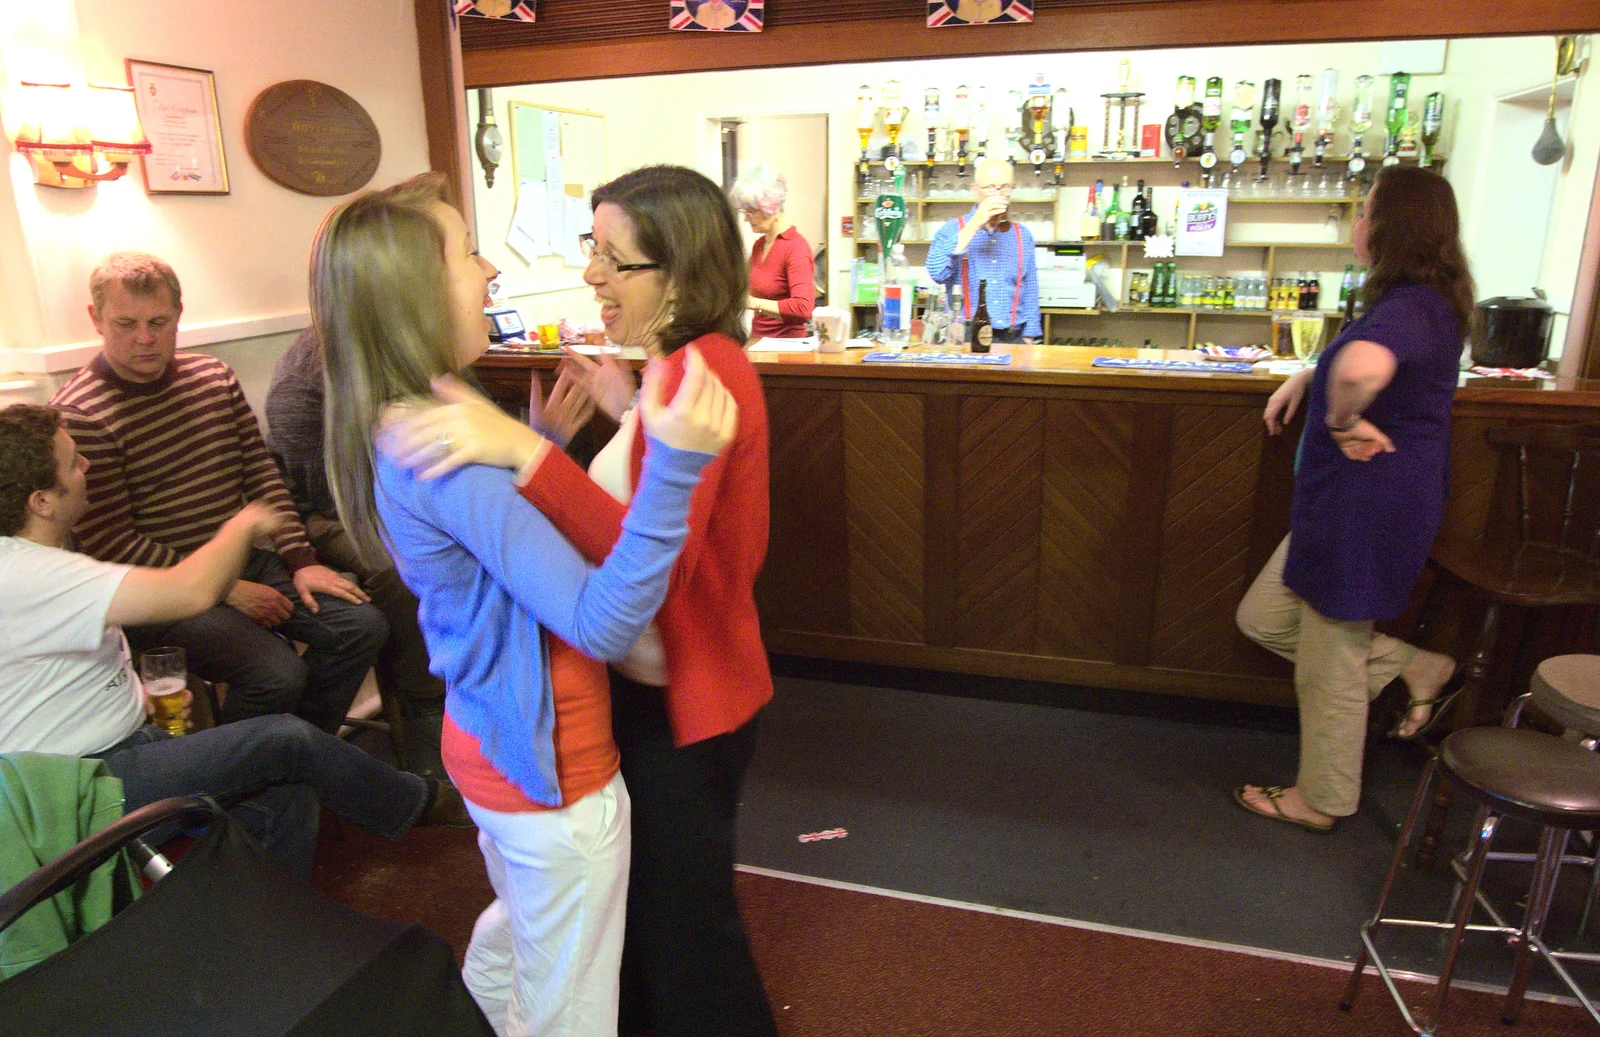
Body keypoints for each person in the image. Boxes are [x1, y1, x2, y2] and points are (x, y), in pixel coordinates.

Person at [312, 171, 737, 1037]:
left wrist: (539, 447)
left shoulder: (420, 409)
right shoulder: (446, 447)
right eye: (468, 253)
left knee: (520, 932)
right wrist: (676, 471)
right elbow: (601, 620)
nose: (489, 271)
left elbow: (484, 556)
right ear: (414, 293)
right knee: (570, 1006)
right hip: (552, 773)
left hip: (490, 744)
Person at [0, 404, 469, 878]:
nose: (86, 468)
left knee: (288, 791)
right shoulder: (29, 573)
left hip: (117, 753)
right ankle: (422, 804)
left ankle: (262, 915)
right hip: (76, 791)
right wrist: (243, 524)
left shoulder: (35, 560)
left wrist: (129, 696)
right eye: (75, 462)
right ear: (41, 501)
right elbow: (192, 590)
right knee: (285, 740)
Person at [50, 252, 387, 735]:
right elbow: (110, 541)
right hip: (158, 589)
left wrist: (301, 559)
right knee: (277, 674)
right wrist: (221, 588)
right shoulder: (81, 413)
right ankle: (244, 780)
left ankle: (300, 751)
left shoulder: (213, 376)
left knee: (361, 627)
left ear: (178, 316)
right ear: (96, 319)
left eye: (158, 322)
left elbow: (261, 474)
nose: (144, 338)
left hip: (244, 562)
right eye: (125, 323)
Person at [1233, 166, 1473, 832]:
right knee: (1263, 616)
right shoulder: (1425, 300)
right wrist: (1312, 371)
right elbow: (1361, 357)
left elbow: (1365, 366)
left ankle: (1322, 799)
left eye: (1365, 210)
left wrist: (1340, 417)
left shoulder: (1411, 306)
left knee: (1331, 662)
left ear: (1390, 227)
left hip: (1364, 511)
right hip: (1347, 509)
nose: (1356, 222)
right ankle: (1417, 665)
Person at [265, 327, 449, 780]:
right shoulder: (301, 382)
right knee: (400, 566)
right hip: (329, 513)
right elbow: (323, 496)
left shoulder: (400, 342)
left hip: (398, 498)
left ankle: (476, 701)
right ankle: (427, 729)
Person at [925, 156, 1041, 345]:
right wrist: (974, 224)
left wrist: (1031, 336)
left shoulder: (1023, 235)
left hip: (1012, 337)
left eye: (1005, 187)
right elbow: (937, 272)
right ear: (975, 190)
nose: (997, 194)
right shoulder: (952, 230)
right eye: (990, 187)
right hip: (965, 336)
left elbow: (1030, 289)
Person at [729, 164, 815, 339]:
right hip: (759, 344)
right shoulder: (759, 245)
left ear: (772, 207)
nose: (746, 218)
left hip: (787, 350)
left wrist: (752, 303)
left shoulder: (796, 247)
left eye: (751, 212)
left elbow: (803, 308)